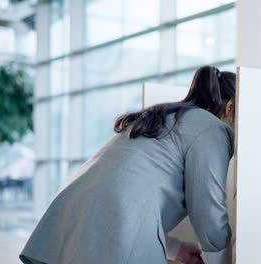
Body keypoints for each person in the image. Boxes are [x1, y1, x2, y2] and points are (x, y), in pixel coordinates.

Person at [20, 65, 236, 264]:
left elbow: (124, 193)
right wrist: (228, 256)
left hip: (71, 218)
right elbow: (208, 211)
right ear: (230, 107)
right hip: (111, 229)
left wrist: (175, 248)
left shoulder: (165, 114)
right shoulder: (212, 129)